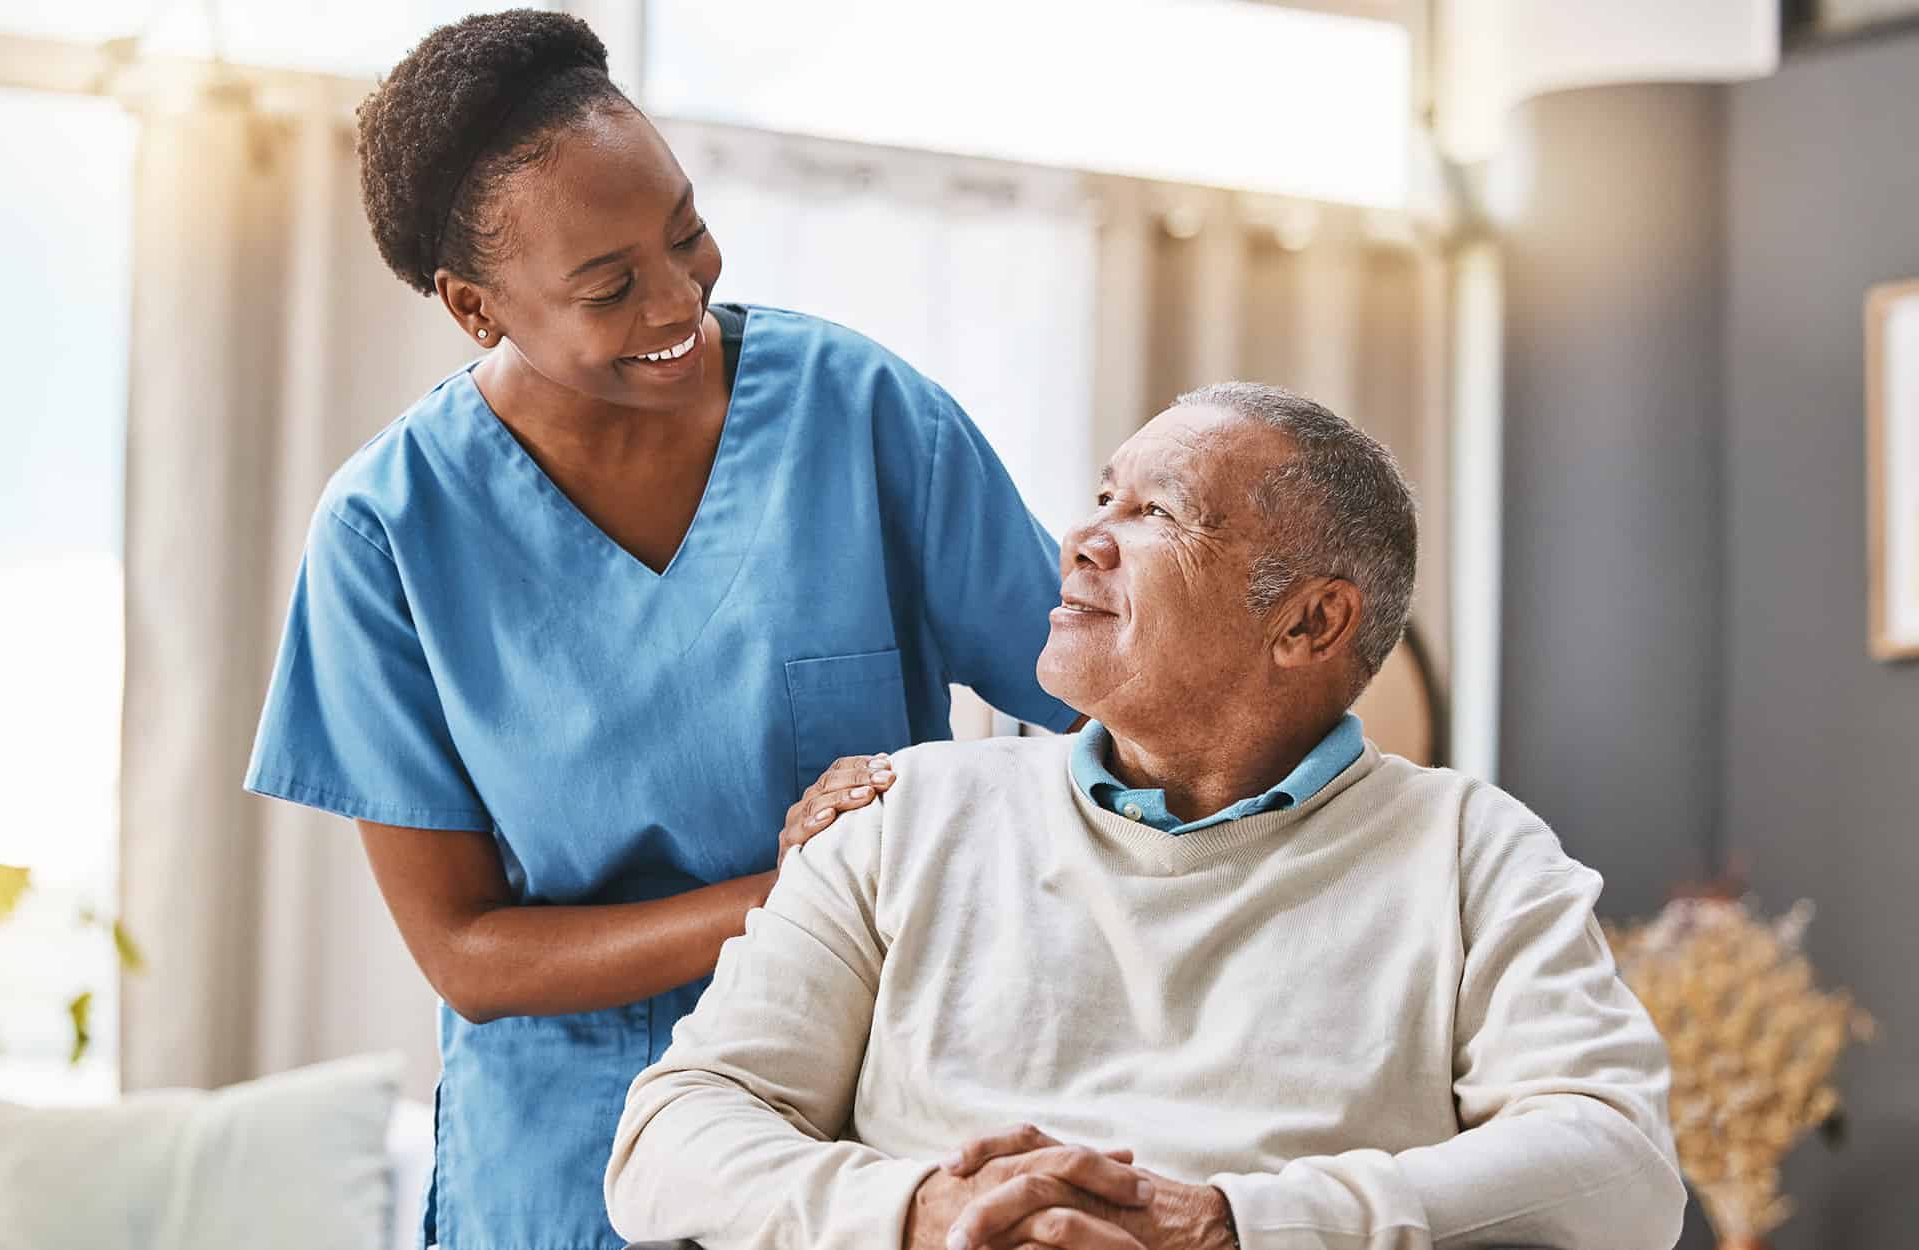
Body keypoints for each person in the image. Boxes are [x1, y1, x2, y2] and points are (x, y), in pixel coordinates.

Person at [242, 11, 1076, 1250]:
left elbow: (1102, 701)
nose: (679, 294)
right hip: (567, 1162)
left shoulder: (861, 413)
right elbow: (466, 949)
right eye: (609, 283)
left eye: (684, 230)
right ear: (477, 309)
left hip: (869, 1130)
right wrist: (802, 890)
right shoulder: (387, 533)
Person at [606, 383, 1687, 1250]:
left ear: (1310, 620)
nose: (1079, 537)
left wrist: (1231, 1224)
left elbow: (1616, 1167)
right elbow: (672, 1129)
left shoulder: (1468, 849)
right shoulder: (902, 812)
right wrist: (922, 1214)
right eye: (1102, 495)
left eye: (1154, 512)